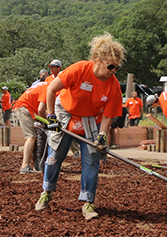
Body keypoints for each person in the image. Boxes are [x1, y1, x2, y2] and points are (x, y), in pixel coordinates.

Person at [35, 33, 125, 221]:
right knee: (55, 157)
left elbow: (108, 115)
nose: (113, 70)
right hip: (66, 112)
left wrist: (102, 135)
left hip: (91, 118)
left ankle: (88, 202)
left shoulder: (113, 86)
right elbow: (51, 90)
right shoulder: (79, 69)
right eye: (110, 66)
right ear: (97, 60)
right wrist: (51, 116)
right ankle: (47, 191)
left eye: (116, 67)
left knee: (92, 159)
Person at [14, 78, 49, 173]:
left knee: (34, 136)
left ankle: (33, 165)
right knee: (31, 136)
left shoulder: (44, 85)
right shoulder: (48, 88)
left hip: (28, 108)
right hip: (24, 108)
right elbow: (41, 110)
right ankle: (24, 166)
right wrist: (50, 121)